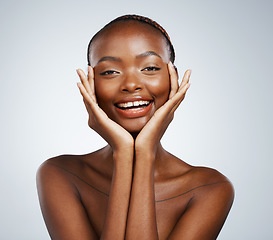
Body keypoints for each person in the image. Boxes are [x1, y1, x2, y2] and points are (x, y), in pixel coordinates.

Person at [36, 14, 234, 240]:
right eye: (110, 71)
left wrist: (145, 152)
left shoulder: (210, 188)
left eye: (149, 68)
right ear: (90, 84)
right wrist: (123, 154)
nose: (131, 85)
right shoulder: (60, 174)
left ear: (173, 79)